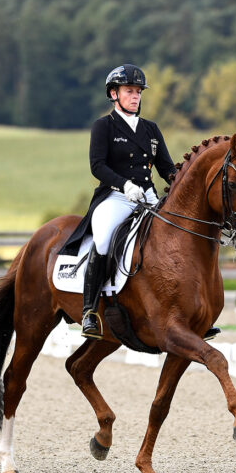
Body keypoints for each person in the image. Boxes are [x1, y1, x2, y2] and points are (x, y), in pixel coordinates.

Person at [66, 64, 177, 339]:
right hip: (116, 196)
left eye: (138, 91)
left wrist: (181, 182)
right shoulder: (103, 126)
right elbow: (97, 166)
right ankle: (89, 310)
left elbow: (166, 167)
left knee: (177, 236)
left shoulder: (150, 129)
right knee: (103, 238)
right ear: (114, 94)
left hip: (148, 196)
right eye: (129, 91)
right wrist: (124, 185)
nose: (135, 96)